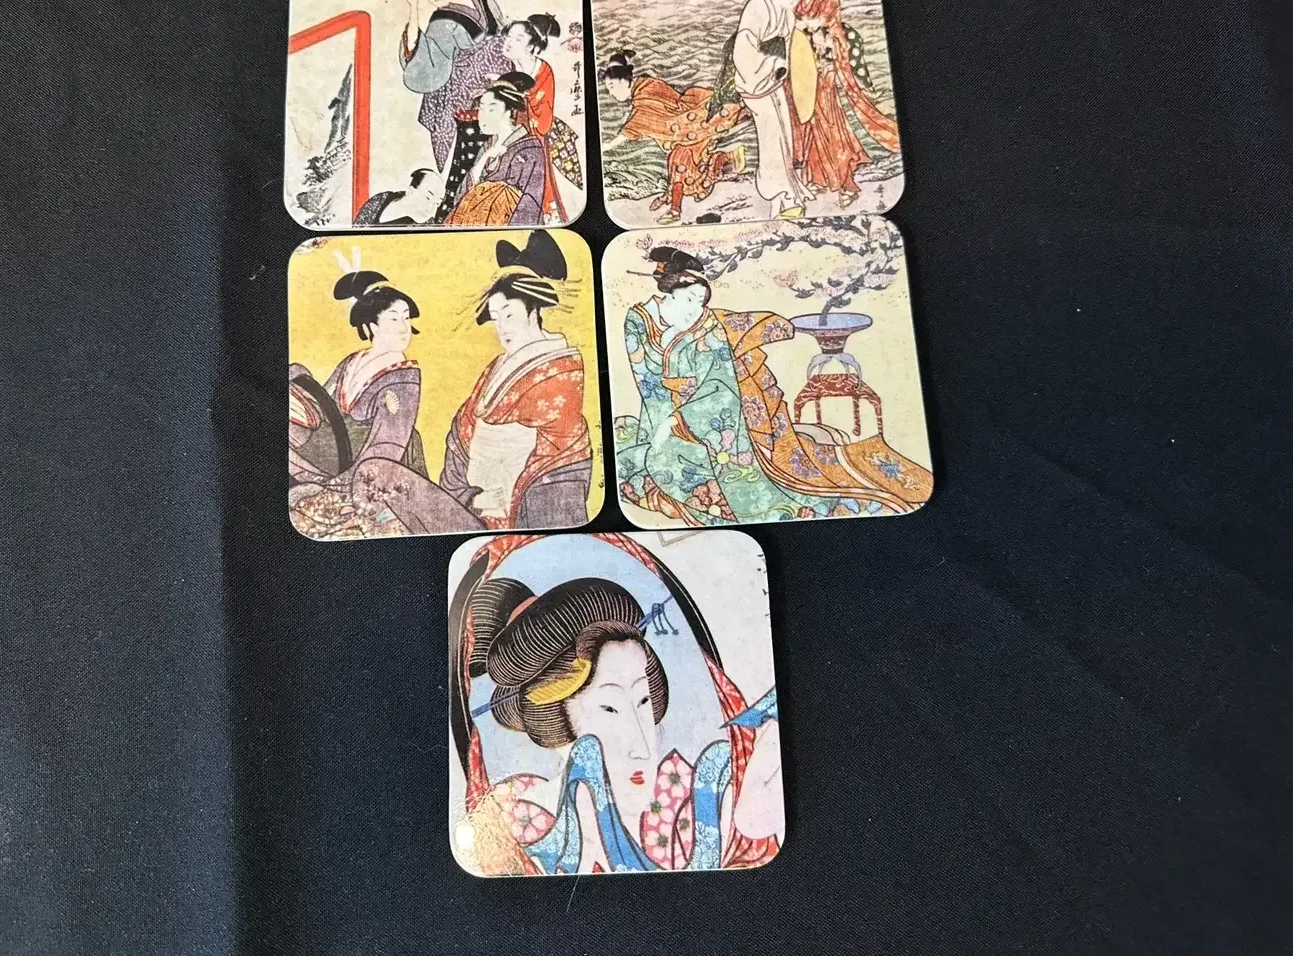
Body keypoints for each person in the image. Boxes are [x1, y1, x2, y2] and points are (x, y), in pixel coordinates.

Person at [449, 535, 783, 875]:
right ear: (556, 721)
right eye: (609, 709)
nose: (641, 746)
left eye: (643, 702)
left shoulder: (689, 791)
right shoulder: (524, 813)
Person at [615, 247, 932, 524]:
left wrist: (677, 420)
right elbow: (650, 385)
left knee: (671, 461)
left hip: (708, 420)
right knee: (643, 457)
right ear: (670, 294)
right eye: (690, 299)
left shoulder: (708, 330)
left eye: (700, 300)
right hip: (674, 414)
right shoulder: (642, 320)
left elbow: (720, 388)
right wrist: (665, 421)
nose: (697, 308)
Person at [353, 231, 591, 532]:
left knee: (379, 480)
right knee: (378, 477)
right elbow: (460, 434)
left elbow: (555, 456)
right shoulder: (497, 367)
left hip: (515, 510)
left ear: (534, 309)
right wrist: (470, 497)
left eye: (508, 315)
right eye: (495, 318)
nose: (501, 327)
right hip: (472, 501)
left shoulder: (560, 371)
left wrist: (491, 496)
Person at [288, 269, 426, 490]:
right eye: (394, 318)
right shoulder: (354, 361)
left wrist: (349, 484)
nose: (404, 328)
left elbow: (387, 445)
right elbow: (325, 404)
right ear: (373, 326)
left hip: (362, 461)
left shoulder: (403, 377)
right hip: (332, 446)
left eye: (406, 318)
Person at [398, 0, 511, 218]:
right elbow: (421, 61)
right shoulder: (441, 21)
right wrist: (414, 9)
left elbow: (506, 40)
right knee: (465, 175)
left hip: (502, 99)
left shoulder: (484, 0)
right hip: (466, 110)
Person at [789, 0, 902, 209]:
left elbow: (831, 32)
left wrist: (812, 31)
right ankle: (819, 178)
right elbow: (800, 26)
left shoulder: (830, 0)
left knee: (831, 125)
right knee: (813, 125)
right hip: (807, 70)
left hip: (825, 72)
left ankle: (846, 184)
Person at [602, 50, 746, 225]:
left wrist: (607, 146)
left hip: (691, 125)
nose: (611, 93)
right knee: (681, 162)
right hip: (688, 128)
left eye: (611, 86)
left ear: (623, 80)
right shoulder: (647, 85)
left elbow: (634, 126)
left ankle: (675, 210)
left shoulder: (643, 99)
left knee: (679, 163)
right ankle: (728, 158)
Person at [723, 0, 809, 218]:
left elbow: (788, 51)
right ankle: (780, 196)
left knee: (785, 133)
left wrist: (782, 69)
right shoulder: (758, 6)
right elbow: (743, 49)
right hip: (754, 81)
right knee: (771, 137)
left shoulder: (788, 16)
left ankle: (787, 195)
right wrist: (769, 64)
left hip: (775, 80)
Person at [444, 73, 546, 228]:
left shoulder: (530, 149)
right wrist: (483, 159)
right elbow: (460, 198)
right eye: (481, 108)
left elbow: (531, 205)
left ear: (510, 111)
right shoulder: (487, 147)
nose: (482, 116)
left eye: (491, 109)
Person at [502, 14, 569, 222]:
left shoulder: (543, 72)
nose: (509, 42)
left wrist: (517, 96)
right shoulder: (504, 67)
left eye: (518, 39)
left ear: (532, 46)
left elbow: (543, 120)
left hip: (532, 139)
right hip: (504, 132)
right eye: (509, 36)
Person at [351, 168, 442, 227]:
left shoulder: (427, 228)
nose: (431, 209)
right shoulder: (381, 199)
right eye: (428, 198)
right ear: (410, 191)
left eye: (437, 203)